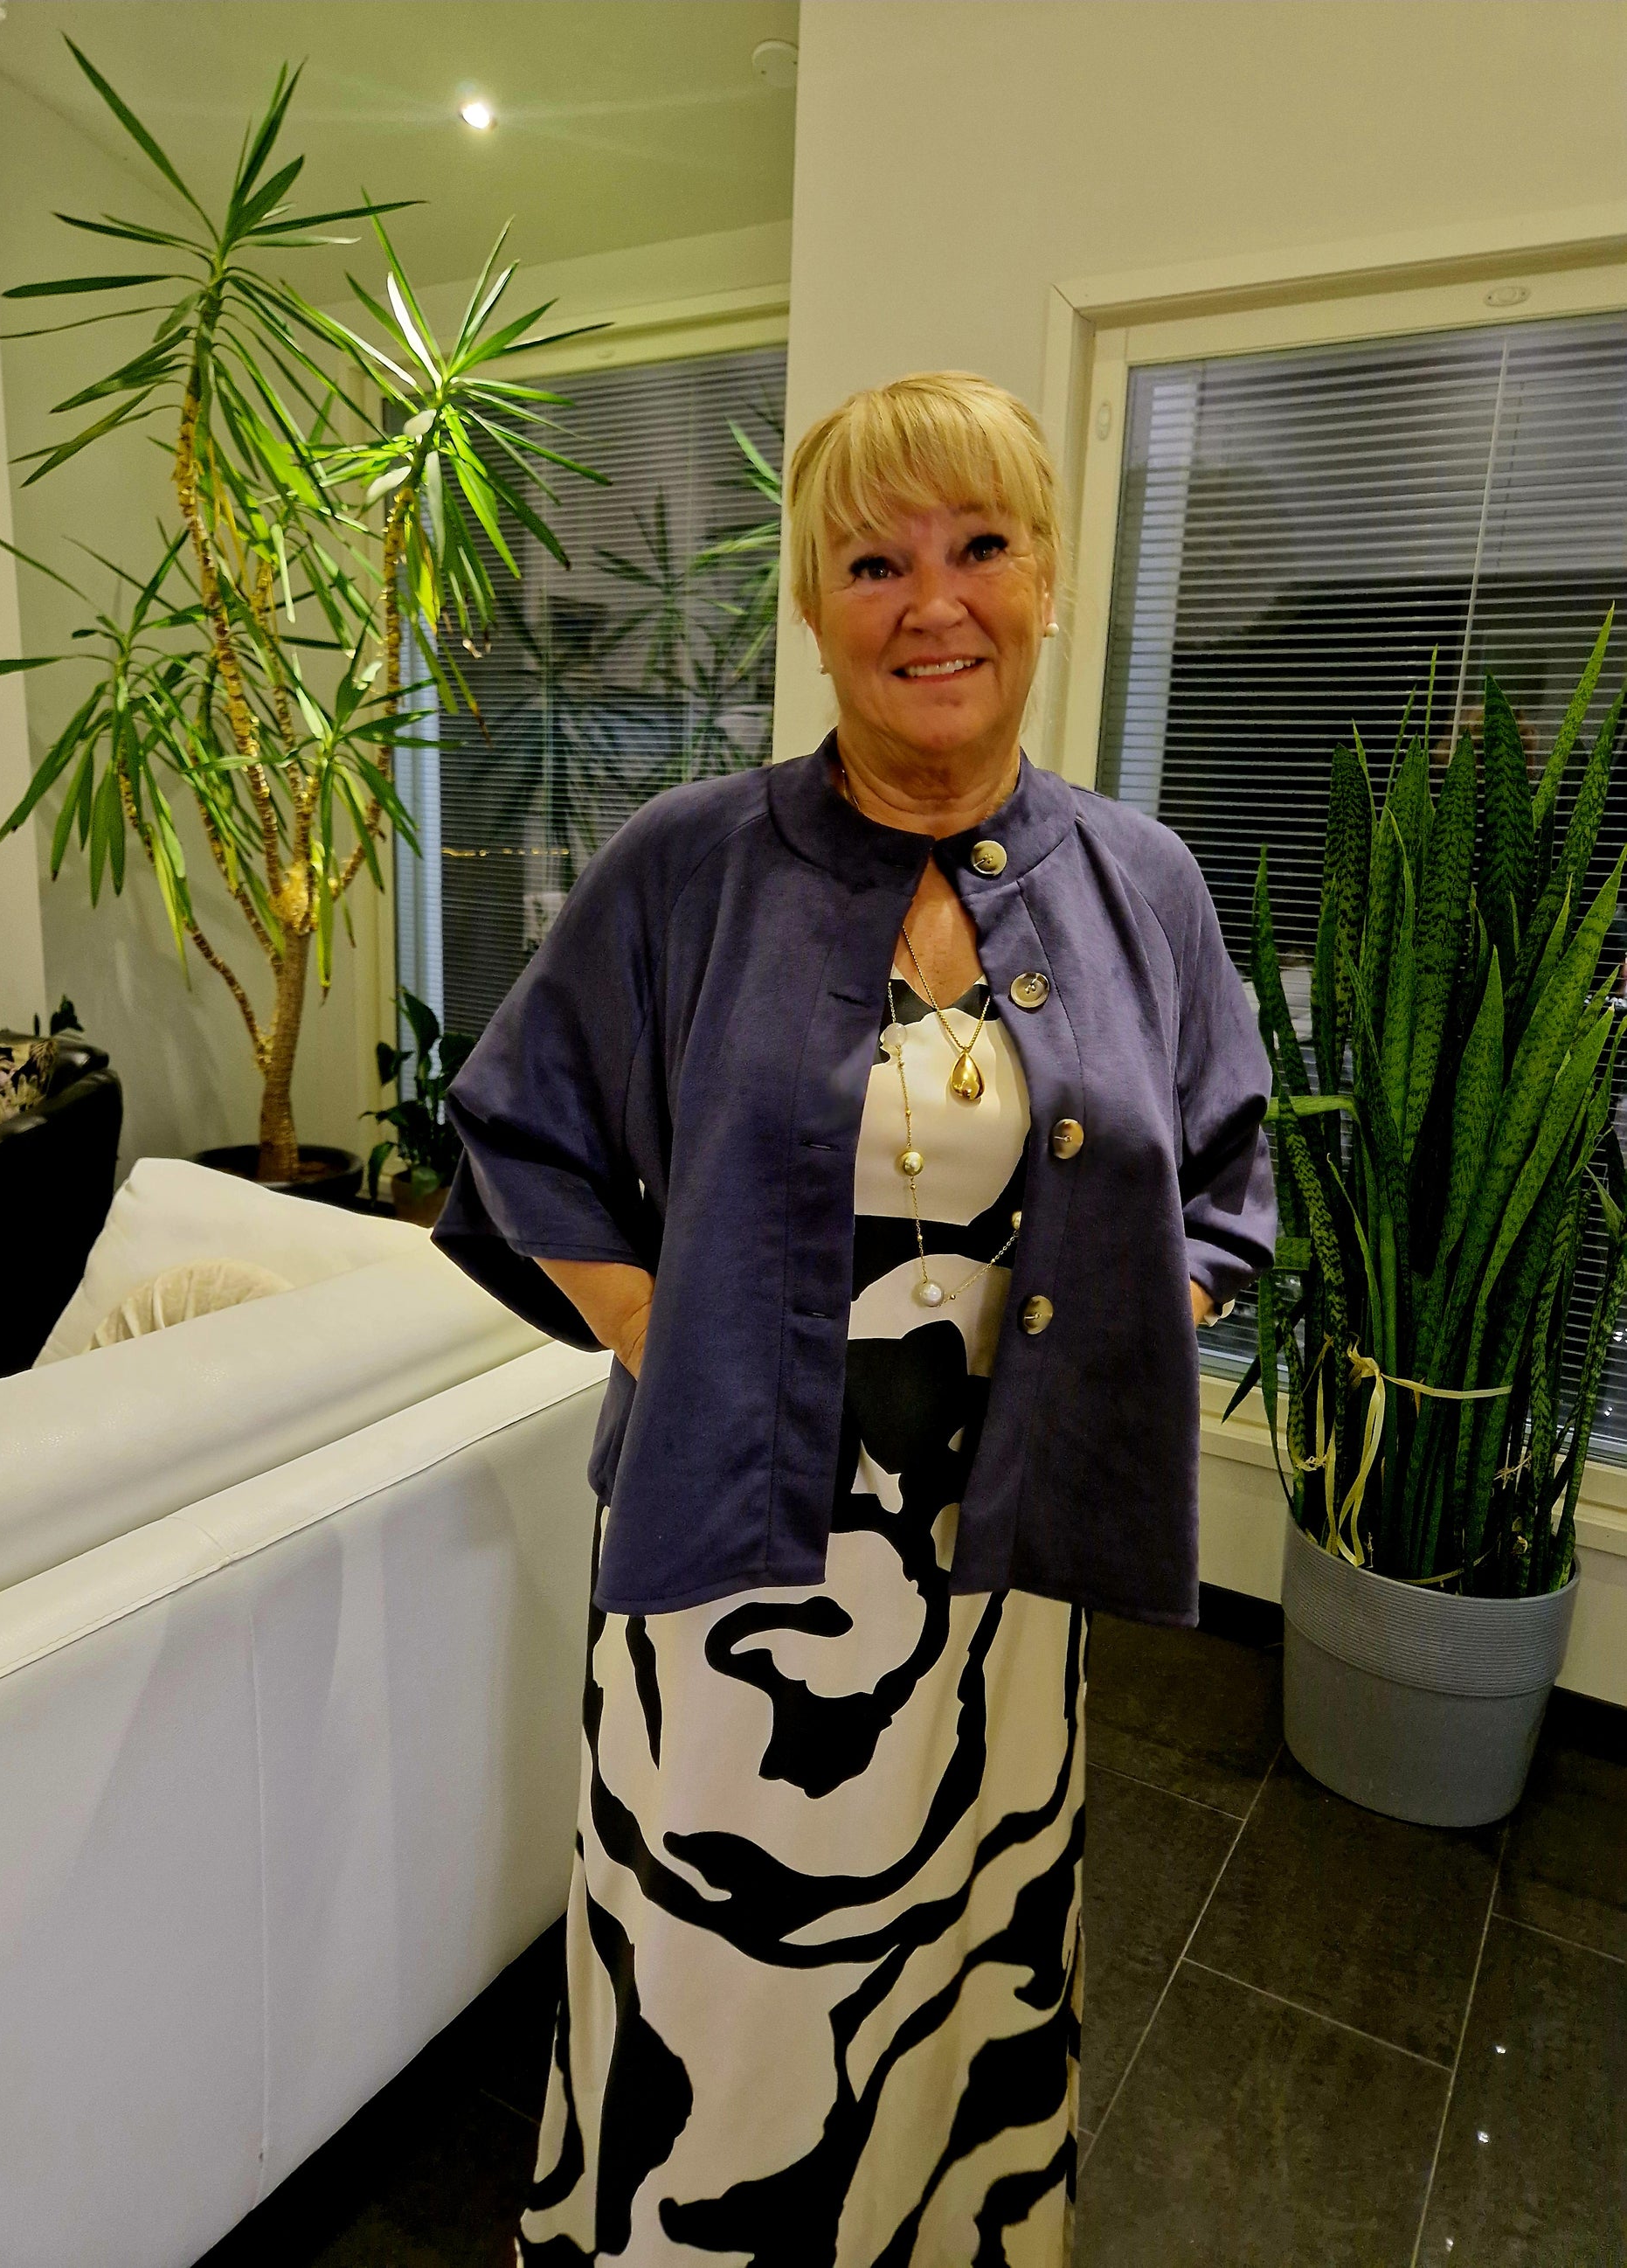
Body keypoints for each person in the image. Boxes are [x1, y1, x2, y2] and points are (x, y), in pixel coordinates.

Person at [437, 370, 1276, 2266]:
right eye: (874, 562)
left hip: (1003, 1573)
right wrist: (665, 1336)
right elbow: (514, 1129)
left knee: (961, 1961)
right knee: (722, 1986)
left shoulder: (1140, 883)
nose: (933, 602)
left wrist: (1130, 1333)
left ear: (1048, 577)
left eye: (980, 546)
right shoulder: (684, 866)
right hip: (725, 1575)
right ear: (813, 610)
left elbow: (1227, 1172)